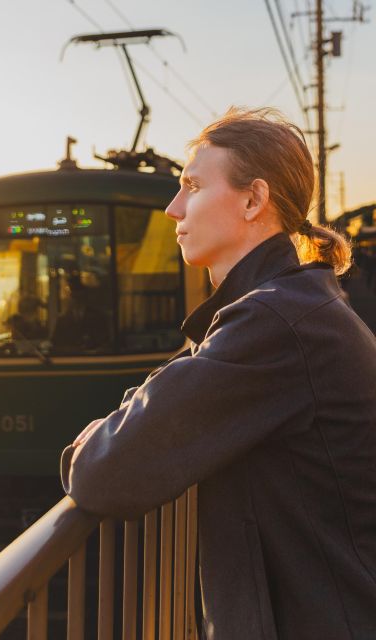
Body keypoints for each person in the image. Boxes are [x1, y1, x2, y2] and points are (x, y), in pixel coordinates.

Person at [61, 108, 376, 640]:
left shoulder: (274, 322)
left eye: (193, 186)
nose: (172, 207)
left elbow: (103, 471)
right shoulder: (294, 305)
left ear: (254, 200)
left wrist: (100, 432)